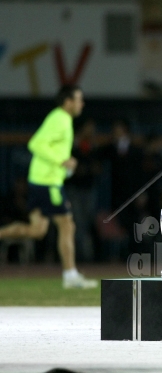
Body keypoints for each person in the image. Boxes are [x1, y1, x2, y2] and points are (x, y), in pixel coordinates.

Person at [0, 85, 98, 289]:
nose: (82, 103)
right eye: (78, 99)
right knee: (67, 225)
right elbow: (35, 144)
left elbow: (49, 147)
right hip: (48, 183)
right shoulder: (60, 118)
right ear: (68, 102)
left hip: (42, 181)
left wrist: (65, 163)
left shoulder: (62, 119)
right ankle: (70, 275)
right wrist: (62, 161)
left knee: (37, 230)